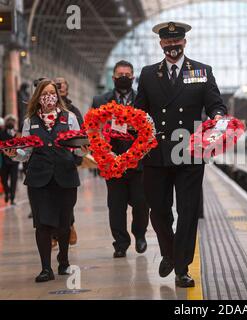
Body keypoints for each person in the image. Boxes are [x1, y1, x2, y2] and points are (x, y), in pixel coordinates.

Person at [135, 21, 227, 287]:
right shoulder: (149, 74)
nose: (172, 46)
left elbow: (215, 105)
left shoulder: (201, 71)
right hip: (157, 154)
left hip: (189, 151)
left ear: (184, 43)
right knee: (159, 210)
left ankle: (181, 268)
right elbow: (140, 111)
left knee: (188, 211)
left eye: (177, 42)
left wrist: (219, 118)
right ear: (161, 44)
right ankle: (169, 252)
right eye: (168, 42)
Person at [2, 79, 89, 282]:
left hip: (65, 176)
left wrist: (84, 150)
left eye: (52, 93)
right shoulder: (29, 122)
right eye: (44, 93)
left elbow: (77, 146)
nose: (48, 96)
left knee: (64, 224)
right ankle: (45, 268)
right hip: (38, 179)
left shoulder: (70, 118)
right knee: (42, 225)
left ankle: (64, 261)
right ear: (38, 97)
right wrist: (13, 153)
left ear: (57, 96)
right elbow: (26, 152)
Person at [91, 60, 149, 258]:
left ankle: (140, 234)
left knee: (141, 204)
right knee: (116, 206)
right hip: (112, 164)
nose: (123, 77)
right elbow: (93, 130)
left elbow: (150, 129)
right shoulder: (100, 101)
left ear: (133, 77)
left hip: (138, 163)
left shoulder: (142, 100)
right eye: (119, 74)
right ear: (113, 78)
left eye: (127, 74)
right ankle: (121, 243)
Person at [54, 77, 83, 246]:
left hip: (67, 161)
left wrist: (77, 159)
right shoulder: (43, 109)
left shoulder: (73, 111)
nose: (58, 87)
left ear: (67, 89)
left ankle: (69, 225)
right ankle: (52, 233)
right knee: (49, 200)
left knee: (66, 199)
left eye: (61, 84)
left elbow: (81, 134)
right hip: (48, 160)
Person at [0, 115, 20, 205]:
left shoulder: (17, 133)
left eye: (12, 121)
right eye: (9, 120)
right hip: (4, 161)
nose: (10, 122)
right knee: (4, 180)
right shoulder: (1, 133)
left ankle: (12, 198)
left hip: (14, 161)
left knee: (14, 180)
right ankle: (7, 192)